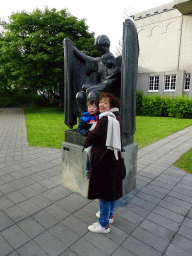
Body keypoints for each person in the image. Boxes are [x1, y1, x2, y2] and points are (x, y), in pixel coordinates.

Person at [84, 92, 123, 233]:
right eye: (100, 102)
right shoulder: (116, 118)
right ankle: (109, 215)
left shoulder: (105, 120)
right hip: (114, 160)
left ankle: (104, 225)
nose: (101, 104)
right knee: (111, 190)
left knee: (104, 193)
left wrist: (87, 136)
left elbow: (89, 138)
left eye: (105, 103)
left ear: (111, 105)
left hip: (103, 161)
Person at [78, 99, 100, 177]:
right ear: (87, 109)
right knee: (90, 154)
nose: (91, 108)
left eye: (94, 107)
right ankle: (88, 169)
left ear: (97, 108)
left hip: (99, 138)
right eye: (90, 107)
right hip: (90, 138)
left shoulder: (100, 116)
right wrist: (87, 133)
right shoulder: (84, 118)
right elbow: (80, 128)